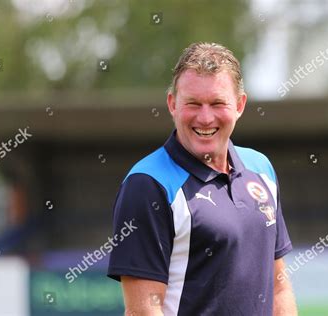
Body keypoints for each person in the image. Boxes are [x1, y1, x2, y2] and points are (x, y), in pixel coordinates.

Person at [107, 42, 297, 315]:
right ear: (172, 104)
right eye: (193, 104)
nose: (205, 118)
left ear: (240, 105)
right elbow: (144, 311)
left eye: (217, 103)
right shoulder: (147, 184)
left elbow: (279, 288)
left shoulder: (261, 168)